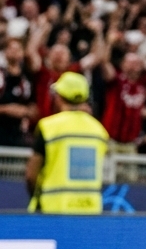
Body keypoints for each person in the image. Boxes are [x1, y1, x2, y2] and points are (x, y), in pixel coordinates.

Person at [25, 72, 108, 214]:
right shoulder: (99, 130)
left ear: (58, 97)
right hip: (91, 211)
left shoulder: (48, 127)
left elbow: (31, 175)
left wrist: (36, 196)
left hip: (52, 209)